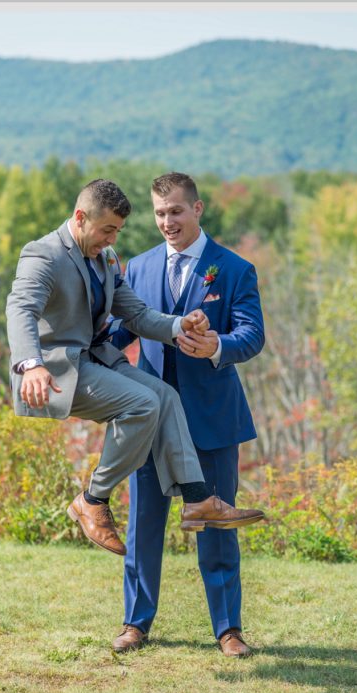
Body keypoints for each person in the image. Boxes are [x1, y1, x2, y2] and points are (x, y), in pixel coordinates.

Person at [5, 178, 264, 560]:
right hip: (56, 372)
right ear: (80, 217)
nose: (112, 240)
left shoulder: (106, 259)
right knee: (143, 403)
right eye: (107, 229)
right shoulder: (43, 254)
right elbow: (20, 309)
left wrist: (179, 327)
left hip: (96, 361)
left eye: (118, 231)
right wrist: (31, 365)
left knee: (164, 395)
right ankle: (93, 499)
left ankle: (197, 500)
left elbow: (137, 315)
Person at [106, 172, 265, 658]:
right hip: (149, 419)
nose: (167, 222)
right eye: (159, 213)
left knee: (216, 525)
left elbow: (252, 335)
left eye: (175, 211)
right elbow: (118, 332)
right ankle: (136, 623)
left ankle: (228, 629)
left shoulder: (234, 269)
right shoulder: (139, 267)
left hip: (212, 419)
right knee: (144, 525)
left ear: (197, 210)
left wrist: (218, 344)